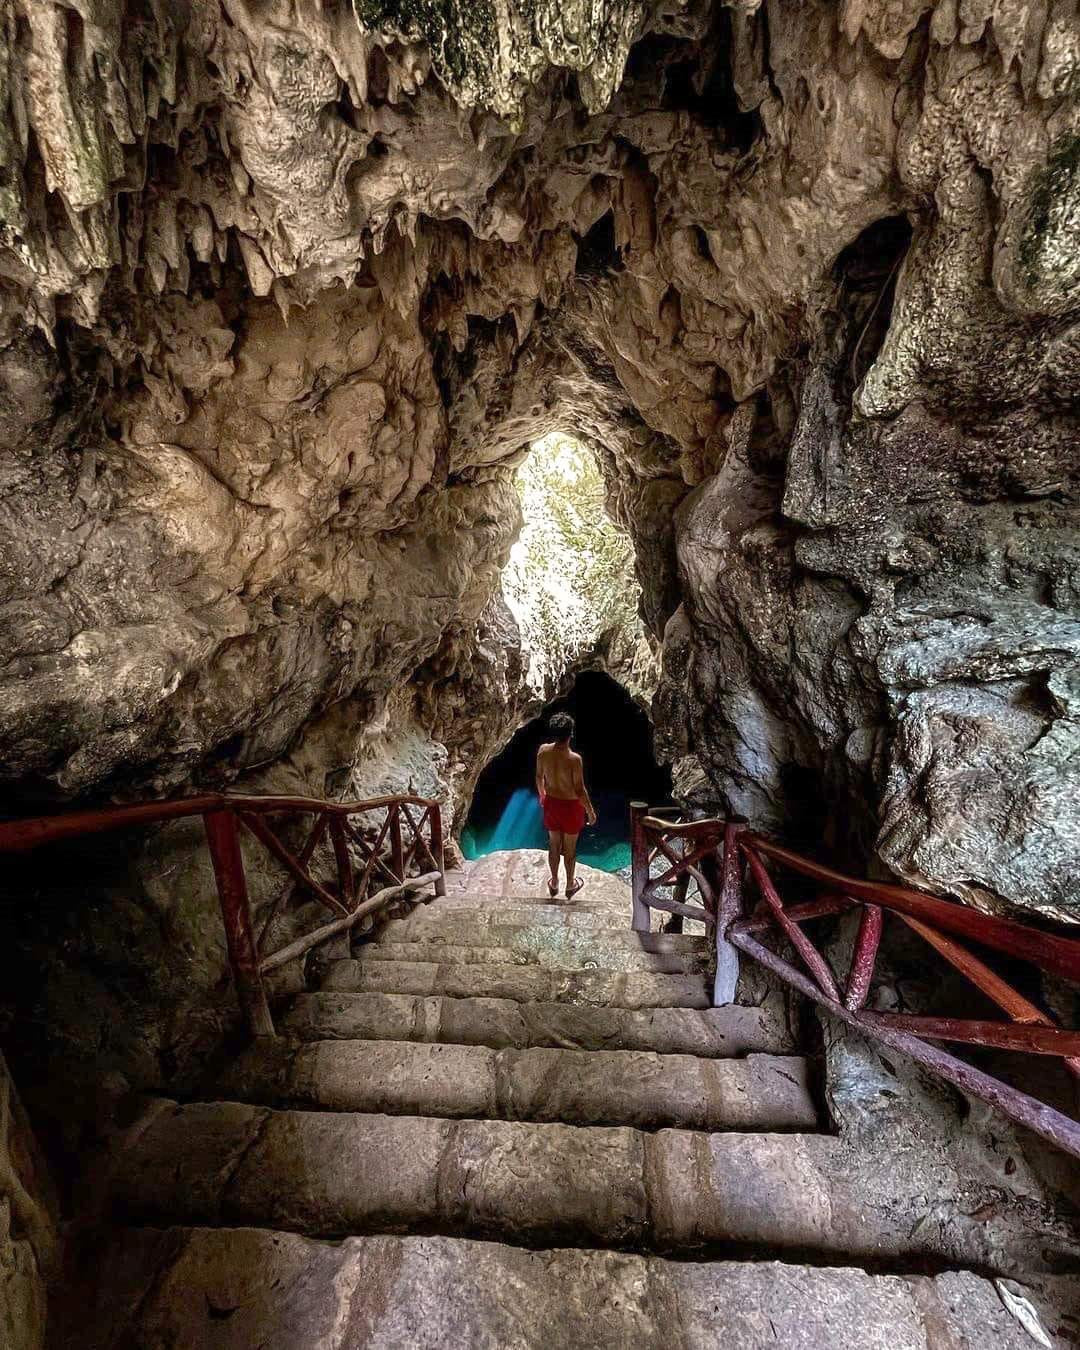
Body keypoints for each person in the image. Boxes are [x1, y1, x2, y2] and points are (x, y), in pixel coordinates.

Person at [535, 712, 597, 898]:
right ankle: (570, 885)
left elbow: (539, 776)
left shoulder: (543, 751)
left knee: (554, 845)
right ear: (571, 734)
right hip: (571, 807)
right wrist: (590, 811)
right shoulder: (574, 759)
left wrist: (542, 795)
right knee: (570, 849)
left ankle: (554, 882)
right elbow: (579, 790)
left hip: (551, 803)